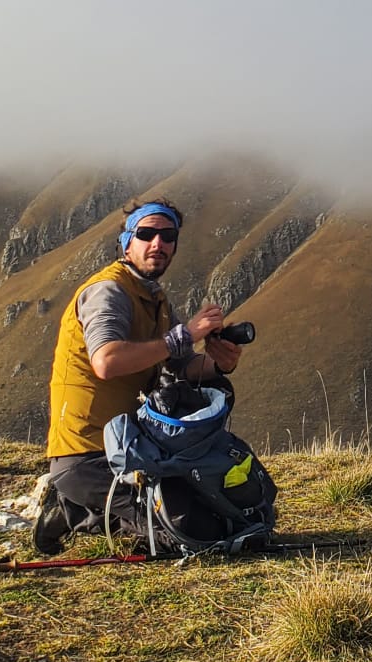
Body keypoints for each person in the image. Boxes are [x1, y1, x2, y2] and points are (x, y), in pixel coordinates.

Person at [33, 198, 244, 553]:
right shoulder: (109, 292)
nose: (157, 244)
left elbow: (183, 364)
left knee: (217, 509)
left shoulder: (152, 297)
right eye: (146, 234)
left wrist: (219, 363)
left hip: (129, 448)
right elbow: (106, 361)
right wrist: (182, 336)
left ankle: (80, 504)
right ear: (127, 242)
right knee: (194, 535)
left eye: (167, 235)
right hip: (87, 454)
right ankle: (73, 511)